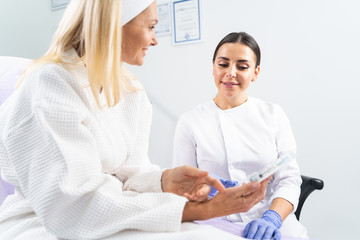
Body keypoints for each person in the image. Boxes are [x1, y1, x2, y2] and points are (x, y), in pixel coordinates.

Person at [0, 1, 270, 239]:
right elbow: (71, 209)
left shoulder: (131, 92)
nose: (155, 40)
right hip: (44, 224)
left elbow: (130, 174)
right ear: (114, 25)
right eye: (151, 27)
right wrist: (198, 209)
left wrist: (165, 181)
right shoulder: (51, 85)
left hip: (112, 211)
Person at [173, 32, 309, 239]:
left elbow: (289, 180)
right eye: (223, 64)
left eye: (242, 67)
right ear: (213, 68)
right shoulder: (190, 121)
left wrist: (272, 217)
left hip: (268, 215)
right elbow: (182, 187)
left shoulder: (273, 115)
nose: (230, 73)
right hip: (212, 219)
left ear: (255, 72)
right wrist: (202, 191)